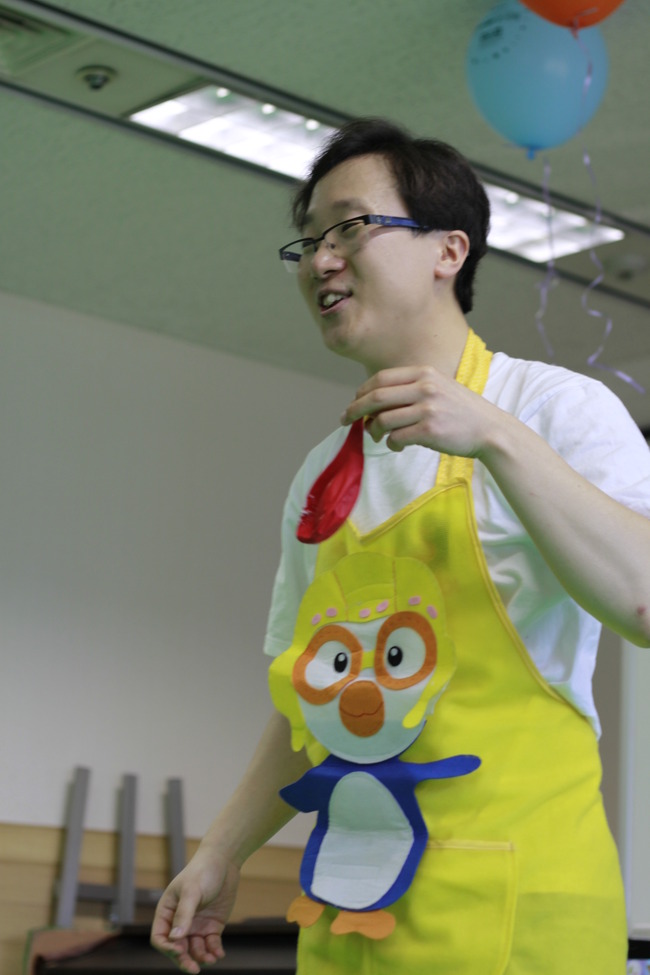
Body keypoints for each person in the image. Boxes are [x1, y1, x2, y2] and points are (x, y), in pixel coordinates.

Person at [151, 118, 650, 974]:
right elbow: (312, 703)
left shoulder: (555, 409)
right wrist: (223, 849)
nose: (321, 260)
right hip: (352, 913)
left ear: (449, 249)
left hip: (520, 911)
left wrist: (493, 436)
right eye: (308, 240)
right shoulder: (324, 474)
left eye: (349, 227)